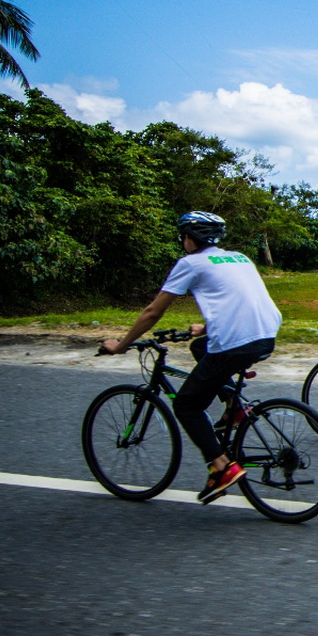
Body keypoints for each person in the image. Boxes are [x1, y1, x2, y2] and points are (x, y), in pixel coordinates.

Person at [101, 211, 283, 504]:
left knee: (186, 405)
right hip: (265, 336)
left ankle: (221, 467)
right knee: (200, 348)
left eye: (182, 235)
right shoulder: (239, 258)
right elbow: (242, 300)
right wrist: (206, 328)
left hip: (234, 344)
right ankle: (233, 405)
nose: (182, 240)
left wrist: (121, 345)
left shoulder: (191, 263)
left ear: (189, 237)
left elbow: (153, 312)